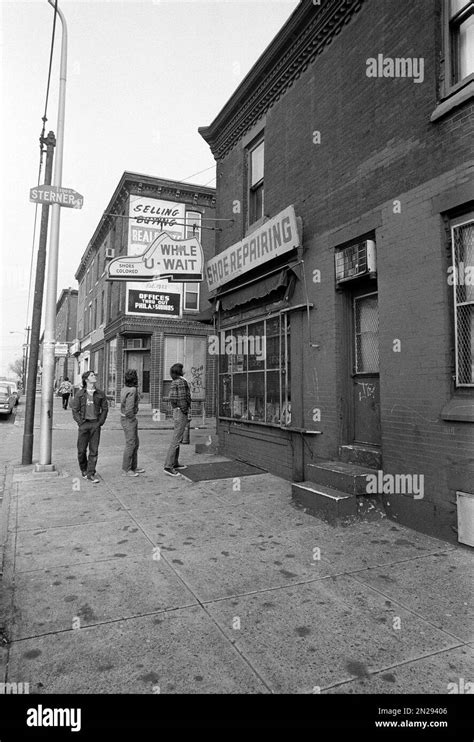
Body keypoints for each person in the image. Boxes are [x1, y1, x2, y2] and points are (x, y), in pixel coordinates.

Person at [71, 371, 108, 484]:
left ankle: (90, 473)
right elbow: (75, 410)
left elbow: (105, 409)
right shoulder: (80, 394)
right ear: (86, 379)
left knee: (94, 450)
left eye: (94, 375)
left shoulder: (100, 393)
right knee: (81, 450)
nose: (94, 376)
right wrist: (80, 423)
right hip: (84, 424)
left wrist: (100, 422)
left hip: (95, 424)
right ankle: (84, 469)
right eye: (92, 375)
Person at [164, 363, 190, 477]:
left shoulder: (176, 381)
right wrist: (184, 410)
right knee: (176, 439)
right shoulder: (181, 381)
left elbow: (173, 398)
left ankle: (174, 463)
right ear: (180, 370)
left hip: (178, 411)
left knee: (178, 438)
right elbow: (182, 398)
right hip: (181, 412)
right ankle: (168, 466)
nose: (185, 369)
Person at [120, 369, 145, 477]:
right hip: (129, 419)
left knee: (134, 443)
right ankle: (127, 469)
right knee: (131, 443)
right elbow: (129, 409)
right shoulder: (133, 390)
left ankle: (133, 466)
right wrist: (132, 415)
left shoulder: (125, 389)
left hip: (125, 418)